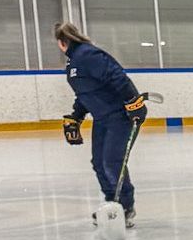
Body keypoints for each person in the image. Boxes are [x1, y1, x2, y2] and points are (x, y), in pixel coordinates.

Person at [56, 22, 146, 229]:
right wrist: (76, 116)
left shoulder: (88, 55)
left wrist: (134, 103)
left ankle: (125, 206)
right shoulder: (73, 64)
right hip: (102, 118)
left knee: (112, 162)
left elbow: (118, 77)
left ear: (62, 43)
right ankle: (111, 203)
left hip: (120, 117)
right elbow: (85, 93)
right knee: (99, 163)